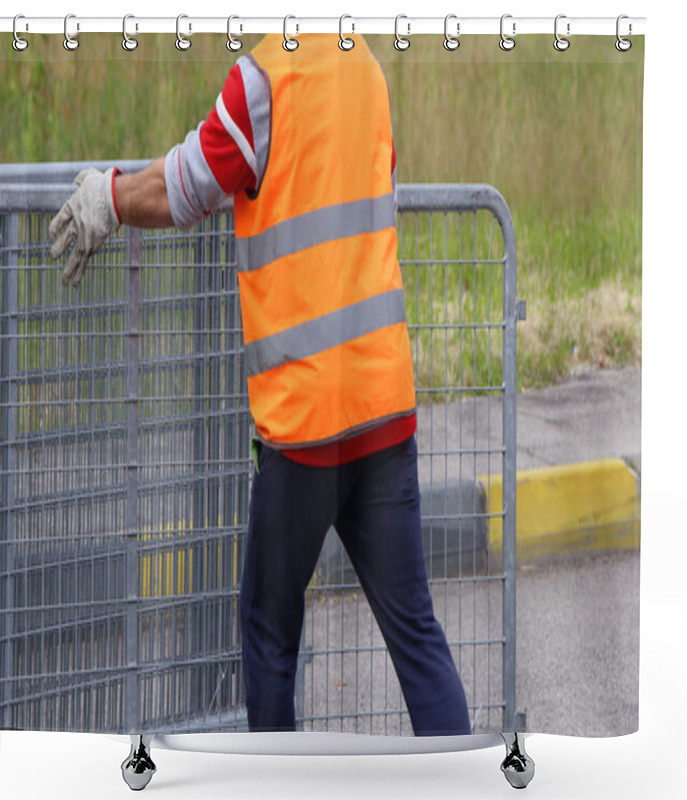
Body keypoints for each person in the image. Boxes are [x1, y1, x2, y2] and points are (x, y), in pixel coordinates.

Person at [49, 33, 471, 736]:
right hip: (382, 402)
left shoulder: (262, 80)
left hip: (307, 421)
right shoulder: (368, 69)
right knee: (417, 632)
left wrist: (110, 198)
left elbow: (188, 184)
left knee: (269, 633)